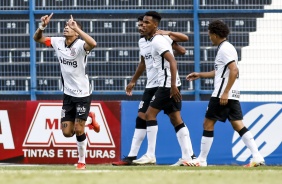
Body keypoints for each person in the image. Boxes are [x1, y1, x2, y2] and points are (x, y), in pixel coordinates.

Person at [112, 15, 195, 166]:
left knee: (152, 115)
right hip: (152, 84)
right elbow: (143, 62)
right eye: (140, 24)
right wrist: (133, 81)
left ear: (154, 25)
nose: (141, 26)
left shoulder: (159, 39)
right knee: (148, 116)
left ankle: (151, 155)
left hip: (164, 83)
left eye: (145, 24)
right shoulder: (143, 42)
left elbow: (181, 49)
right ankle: (189, 156)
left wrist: (167, 36)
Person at [186, 20, 265, 167]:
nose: (209, 37)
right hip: (231, 94)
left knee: (208, 124)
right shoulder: (226, 47)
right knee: (238, 125)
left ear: (215, 35)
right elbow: (222, 72)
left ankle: (202, 160)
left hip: (222, 94)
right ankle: (257, 156)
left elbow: (234, 70)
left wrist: (225, 92)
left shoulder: (224, 49)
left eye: (210, 35)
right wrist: (200, 75)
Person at [33, 13, 100, 169]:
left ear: (76, 32)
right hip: (68, 94)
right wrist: (42, 26)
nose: (66, 28)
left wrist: (77, 28)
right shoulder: (57, 42)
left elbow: (93, 43)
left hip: (83, 93)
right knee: (67, 132)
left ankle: (81, 161)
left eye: (70, 27)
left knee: (78, 129)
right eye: (65, 26)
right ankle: (90, 119)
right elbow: (37, 38)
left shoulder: (81, 45)